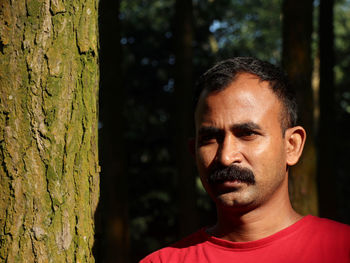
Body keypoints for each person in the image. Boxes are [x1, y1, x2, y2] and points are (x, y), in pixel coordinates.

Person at [140, 57, 350, 263]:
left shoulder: (342, 250)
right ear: (193, 152)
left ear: (292, 146)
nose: (226, 156)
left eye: (247, 134)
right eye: (209, 139)